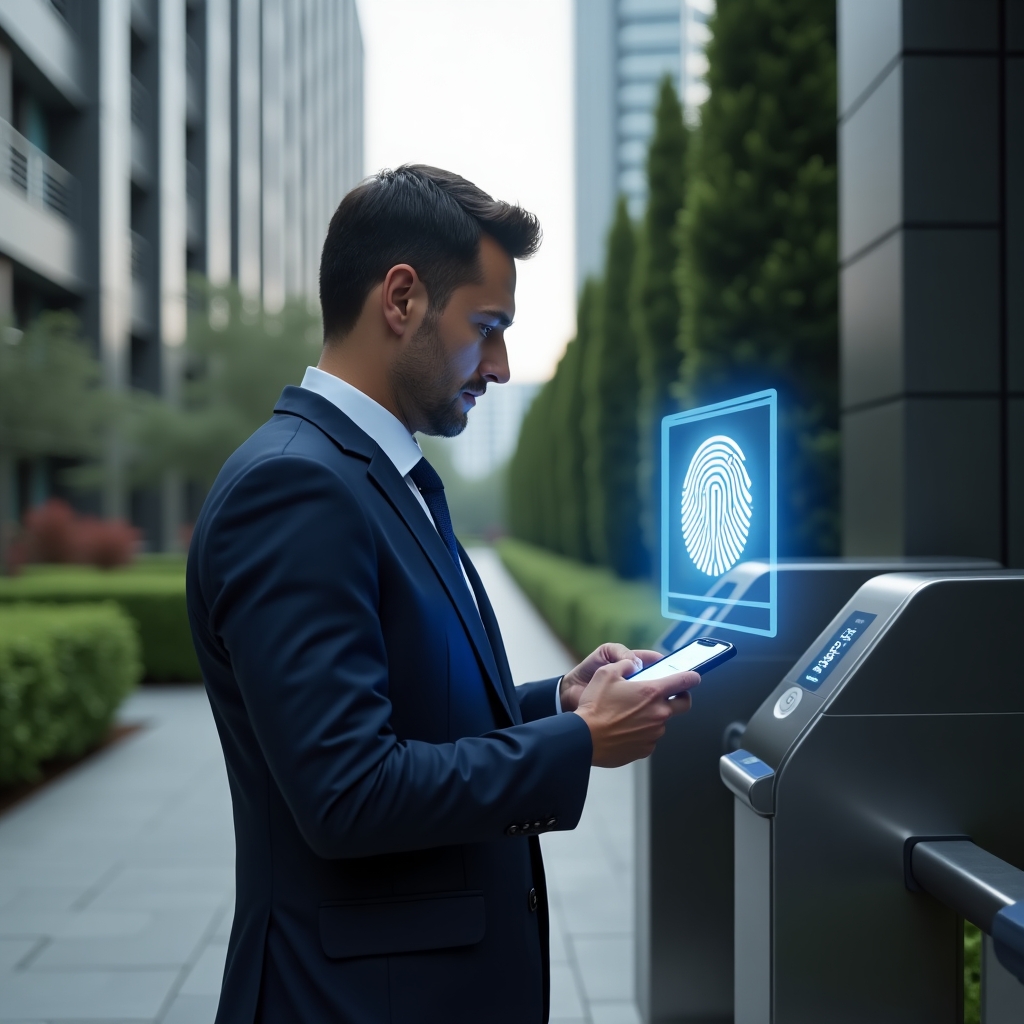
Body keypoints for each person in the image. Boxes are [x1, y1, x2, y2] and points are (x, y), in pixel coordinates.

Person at [186, 164, 699, 1024]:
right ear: (401, 299)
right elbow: (347, 792)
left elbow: (415, 709)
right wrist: (576, 743)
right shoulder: (295, 490)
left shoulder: (378, 475)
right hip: (352, 999)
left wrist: (555, 701)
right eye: (487, 327)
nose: (498, 365)